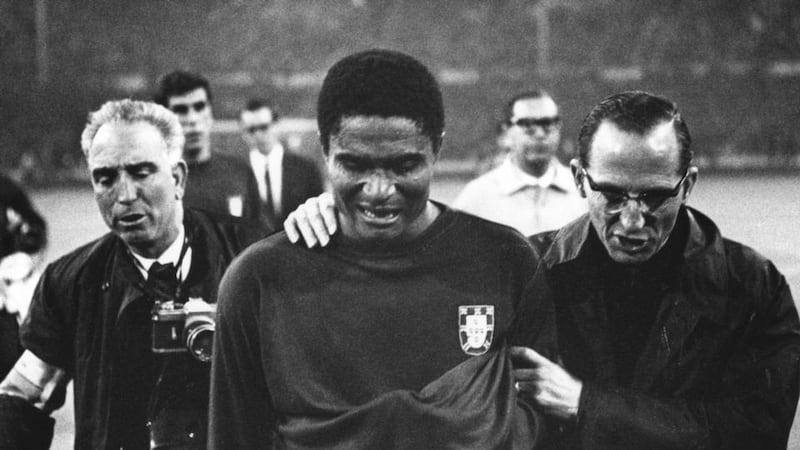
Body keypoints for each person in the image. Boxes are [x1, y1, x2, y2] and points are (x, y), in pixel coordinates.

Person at [209, 49, 556, 449]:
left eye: (403, 166)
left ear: (436, 150)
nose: (378, 191)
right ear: (324, 150)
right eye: (354, 166)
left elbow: (543, 425)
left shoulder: (505, 259)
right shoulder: (258, 279)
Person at [511, 91, 800, 449]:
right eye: (612, 195)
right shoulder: (523, 274)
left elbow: (758, 434)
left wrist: (586, 404)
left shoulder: (756, 286)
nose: (632, 222)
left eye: (654, 196)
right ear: (579, 179)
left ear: (688, 186)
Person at [0, 100, 264, 449]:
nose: (124, 195)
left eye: (141, 172)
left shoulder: (251, 260)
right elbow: (24, 398)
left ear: (178, 179)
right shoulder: (69, 281)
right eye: (105, 178)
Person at [452, 91, 585, 236]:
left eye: (548, 124)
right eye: (528, 125)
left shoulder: (584, 193)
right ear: (506, 132)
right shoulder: (476, 197)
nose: (540, 134)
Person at [155, 70, 262, 221]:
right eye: (181, 110)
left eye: (199, 107)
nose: (192, 119)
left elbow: (258, 237)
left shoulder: (240, 173)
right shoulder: (154, 179)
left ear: (210, 113)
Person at [239, 98, 325, 229]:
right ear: (243, 134)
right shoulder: (236, 170)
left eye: (263, 127)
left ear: (276, 125)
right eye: (251, 130)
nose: (258, 135)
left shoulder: (306, 169)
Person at [0, 173, 47, 378]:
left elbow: (35, 230)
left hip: (7, 293)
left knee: (12, 362)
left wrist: (21, 233)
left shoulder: (6, 190)